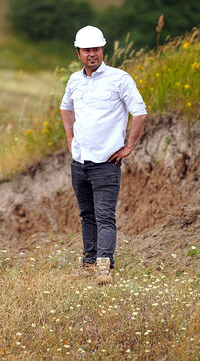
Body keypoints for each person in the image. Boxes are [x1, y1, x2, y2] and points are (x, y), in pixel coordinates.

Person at [60, 26, 147, 284]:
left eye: (96, 49)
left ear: (103, 50)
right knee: (86, 214)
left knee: (104, 215)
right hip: (80, 161)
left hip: (107, 162)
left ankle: (103, 267)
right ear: (78, 53)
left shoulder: (120, 79)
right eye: (87, 50)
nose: (92, 54)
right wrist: (69, 138)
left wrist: (128, 147)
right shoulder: (75, 81)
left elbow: (140, 113)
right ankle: (88, 263)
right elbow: (66, 108)